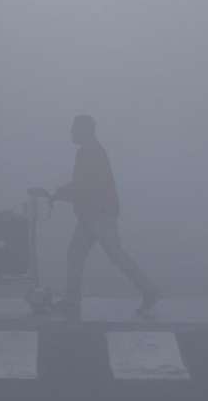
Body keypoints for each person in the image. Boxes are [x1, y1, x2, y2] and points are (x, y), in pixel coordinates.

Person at [50, 115, 159, 318]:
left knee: (114, 255)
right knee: (77, 255)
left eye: (74, 129)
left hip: (99, 216)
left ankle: (149, 290)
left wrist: (61, 194)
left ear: (84, 130)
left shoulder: (89, 153)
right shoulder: (91, 152)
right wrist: (63, 193)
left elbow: (86, 187)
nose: (71, 133)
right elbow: (84, 186)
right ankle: (72, 301)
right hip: (92, 215)